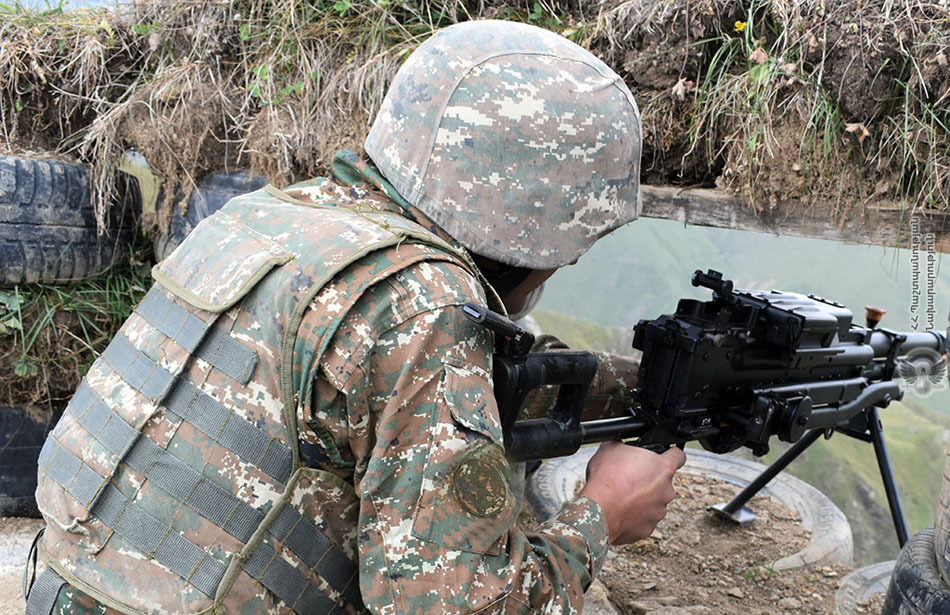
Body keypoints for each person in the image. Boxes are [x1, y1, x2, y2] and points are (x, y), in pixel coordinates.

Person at [26, 19, 685, 615]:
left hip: (66, 588)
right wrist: (602, 515)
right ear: (542, 227)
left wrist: (629, 384)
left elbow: (367, 385)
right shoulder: (425, 302)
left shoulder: (269, 219)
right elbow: (452, 606)